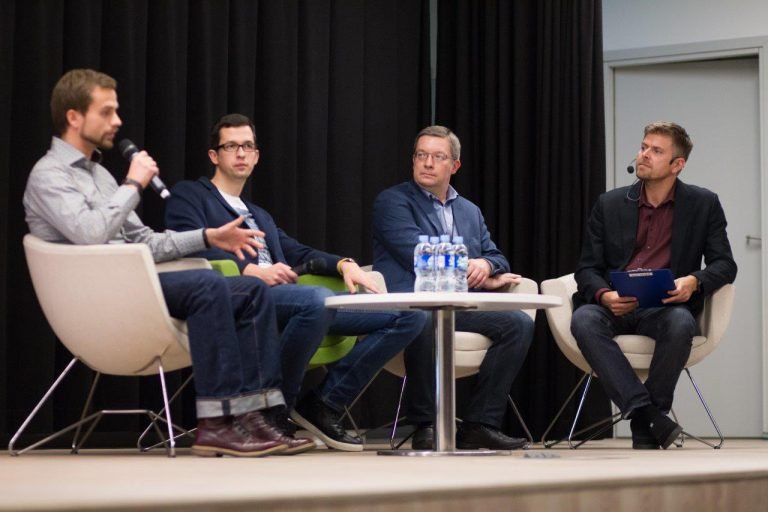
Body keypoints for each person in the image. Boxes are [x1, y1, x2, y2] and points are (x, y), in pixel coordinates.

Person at [23, 69, 316, 457]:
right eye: (106, 112)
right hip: (99, 297)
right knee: (207, 284)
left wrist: (208, 237)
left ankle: (256, 417)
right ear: (74, 117)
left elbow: (145, 241)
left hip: (135, 283)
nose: (117, 121)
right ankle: (216, 425)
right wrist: (133, 184)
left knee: (251, 291)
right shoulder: (49, 175)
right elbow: (90, 233)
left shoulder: (101, 177)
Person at [164, 113, 425, 451]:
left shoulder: (258, 214)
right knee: (314, 300)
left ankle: (324, 402)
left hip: (291, 299)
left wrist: (344, 264)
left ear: (257, 155)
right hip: (240, 296)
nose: (241, 153)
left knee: (410, 315)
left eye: (247, 146)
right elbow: (188, 244)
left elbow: (297, 251)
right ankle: (275, 412)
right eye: (231, 146)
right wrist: (249, 271)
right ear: (214, 155)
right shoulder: (191, 195)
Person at [570, 121, 737, 449]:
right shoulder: (609, 204)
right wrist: (604, 295)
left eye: (656, 151)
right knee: (584, 320)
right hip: (617, 305)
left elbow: (725, 264)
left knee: (681, 323)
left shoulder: (703, 204)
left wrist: (694, 281)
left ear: (678, 164)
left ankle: (645, 419)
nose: (644, 154)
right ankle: (650, 417)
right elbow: (587, 268)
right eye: (644, 147)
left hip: (665, 307)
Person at [372, 125, 535, 450]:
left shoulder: (469, 211)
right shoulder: (393, 202)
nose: (427, 163)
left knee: (518, 324)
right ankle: (425, 423)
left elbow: (496, 256)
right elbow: (415, 252)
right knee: (425, 318)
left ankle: (480, 423)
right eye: (421, 155)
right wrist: (471, 268)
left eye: (438, 156)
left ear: (455, 165)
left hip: (458, 304)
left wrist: (485, 266)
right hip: (412, 305)